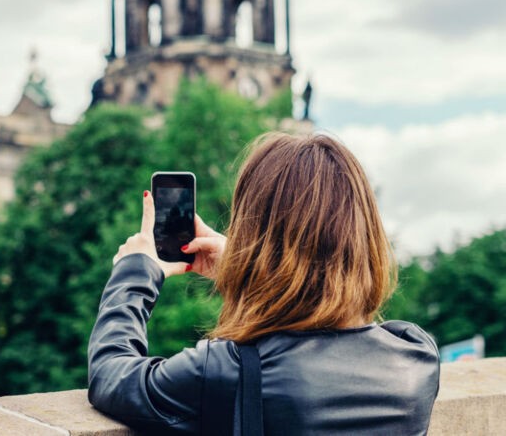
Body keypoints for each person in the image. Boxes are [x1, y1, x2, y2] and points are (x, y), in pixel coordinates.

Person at [87, 132, 440, 435]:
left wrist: (135, 270)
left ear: (254, 232)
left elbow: (111, 374)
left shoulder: (229, 370)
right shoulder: (416, 356)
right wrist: (247, 269)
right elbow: (349, 324)